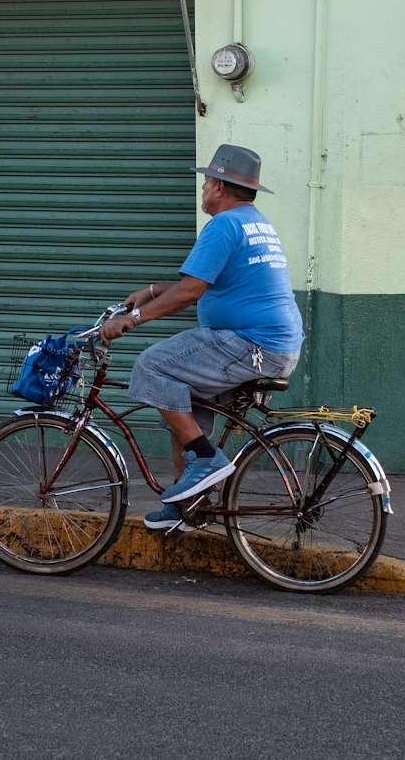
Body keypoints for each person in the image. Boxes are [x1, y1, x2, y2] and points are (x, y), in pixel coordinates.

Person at [100, 143, 304, 529]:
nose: (203, 189)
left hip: (251, 343)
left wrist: (134, 318)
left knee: (152, 364)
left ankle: (207, 460)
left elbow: (192, 291)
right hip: (267, 343)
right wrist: (153, 290)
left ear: (220, 188)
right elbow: (206, 284)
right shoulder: (253, 221)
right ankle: (185, 503)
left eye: (206, 182)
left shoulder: (223, 225)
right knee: (183, 402)